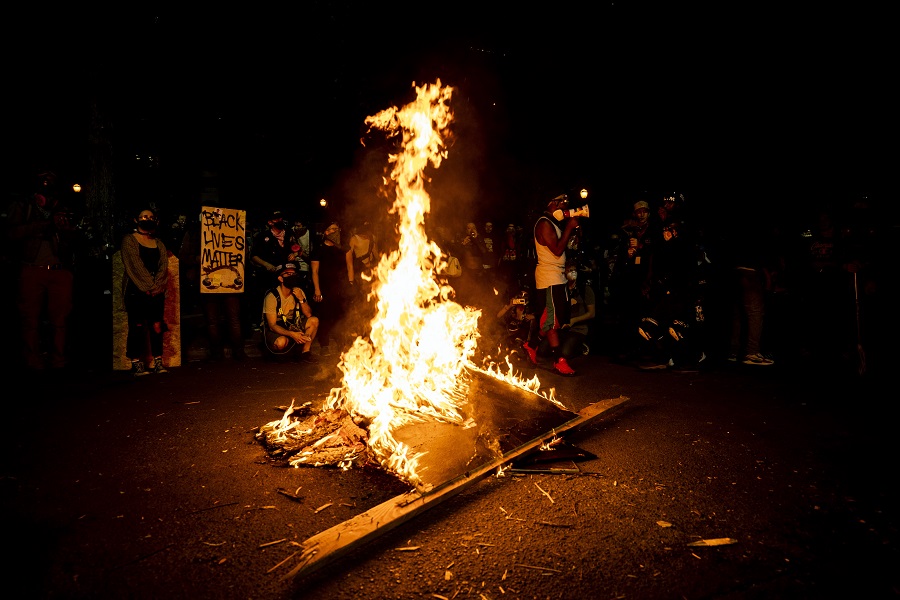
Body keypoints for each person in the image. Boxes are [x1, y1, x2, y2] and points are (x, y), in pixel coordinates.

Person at [5, 170, 82, 373]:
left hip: (59, 269)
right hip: (32, 268)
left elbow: (72, 239)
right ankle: (33, 360)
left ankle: (59, 360)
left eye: (51, 179)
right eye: (44, 179)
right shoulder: (23, 206)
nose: (48, 183)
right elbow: (11, 233)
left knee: (61, 318)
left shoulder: (61, 206)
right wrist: (45, 225)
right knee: (30, 318)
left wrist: (67, 230)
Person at [521, 194, 581, 376]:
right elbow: (556, 251)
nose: (565, 208)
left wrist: (574, 233)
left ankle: (530, 346)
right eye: (563, 204)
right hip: (549, 278)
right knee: (551, 321)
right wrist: (570, 228)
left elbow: (563, 248)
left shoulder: (553, 223)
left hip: (557, 276)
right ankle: (558, 360)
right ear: (552, 203)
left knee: (552, 319)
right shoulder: (544, 224)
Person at [121, 208, 170, 376]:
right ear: (136, 220)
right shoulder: (129, 240)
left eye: (150, 217)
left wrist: (158, 286)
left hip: (156, 291)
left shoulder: (159, 243)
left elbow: (164, 266)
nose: (147, 219)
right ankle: (136, 362)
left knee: (157, 326)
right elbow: (134, 265)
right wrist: (149, 286)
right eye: (143, 216)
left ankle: (158, 360)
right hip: (136, 291)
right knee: (137, 326)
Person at [261, 262, 319, 362]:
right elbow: (272, 325)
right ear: (280, 278)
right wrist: (292, 334)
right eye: (288, 274)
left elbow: (309, 314)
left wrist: (301, 299)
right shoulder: (272, 296)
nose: (292, 276)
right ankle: (276, 351)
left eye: (293, 274)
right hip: (278, 328)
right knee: (281, 342)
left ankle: (305, 352)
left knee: (314, 320)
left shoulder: (298, 291)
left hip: (292, 325)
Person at [538, 259, 596, 360]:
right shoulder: (561, 290)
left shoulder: (585, 289)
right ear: (564, 273)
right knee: (542, 350)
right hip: (562, 328)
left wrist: (573, 321)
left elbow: (591, 313)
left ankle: (580, 346)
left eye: (574, 270)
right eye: (569, 270)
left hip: (578, 330)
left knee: (565, 353)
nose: (572, 273)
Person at [311, 222, 352, 355]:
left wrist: (350, 284)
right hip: (325, 287)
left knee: (341, 316)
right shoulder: (318, 249)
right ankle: (324, 344)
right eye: (332, 229)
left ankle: (342, 343)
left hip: (341, 286)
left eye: (337, 229)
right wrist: (317, 289)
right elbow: (315, 271)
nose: (336, 231)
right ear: (326, 232)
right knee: (325, 316)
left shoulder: (344, 248)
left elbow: (350, 267)